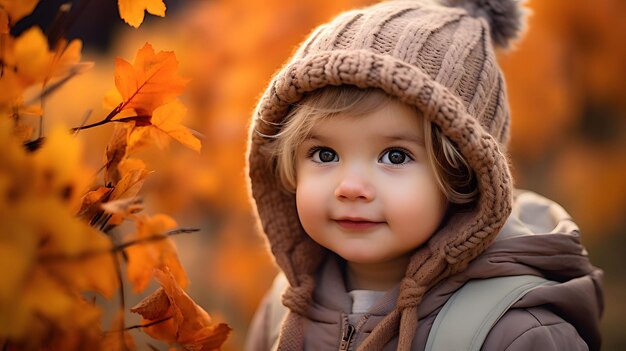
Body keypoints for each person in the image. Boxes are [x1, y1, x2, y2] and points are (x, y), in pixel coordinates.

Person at [245, 0, 604, 350]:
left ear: (462, 175)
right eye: (325, 154)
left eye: (395, 156)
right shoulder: (284, 308)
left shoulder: (516, 334)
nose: (350, 187)